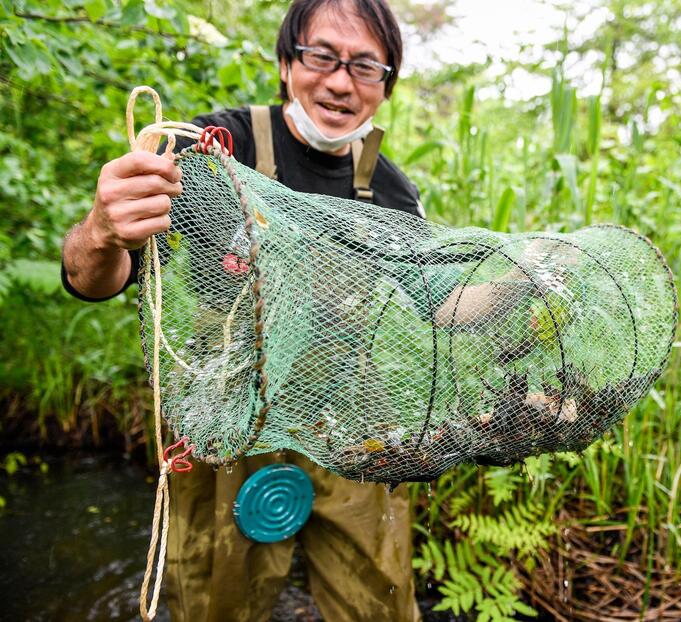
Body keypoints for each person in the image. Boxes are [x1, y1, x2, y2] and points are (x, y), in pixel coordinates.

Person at [61, 1, 423, 620]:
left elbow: (437, 305)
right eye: (322, 57)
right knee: (213, 598)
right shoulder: (211, 150)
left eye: (365, 66)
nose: (340, 82)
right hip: (225, 409)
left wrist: (528, 293)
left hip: (346, 417)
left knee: (379, 599)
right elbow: (94, 280)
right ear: (287, 64)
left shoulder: (389, 189)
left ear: (384, 88)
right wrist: (101, 231)